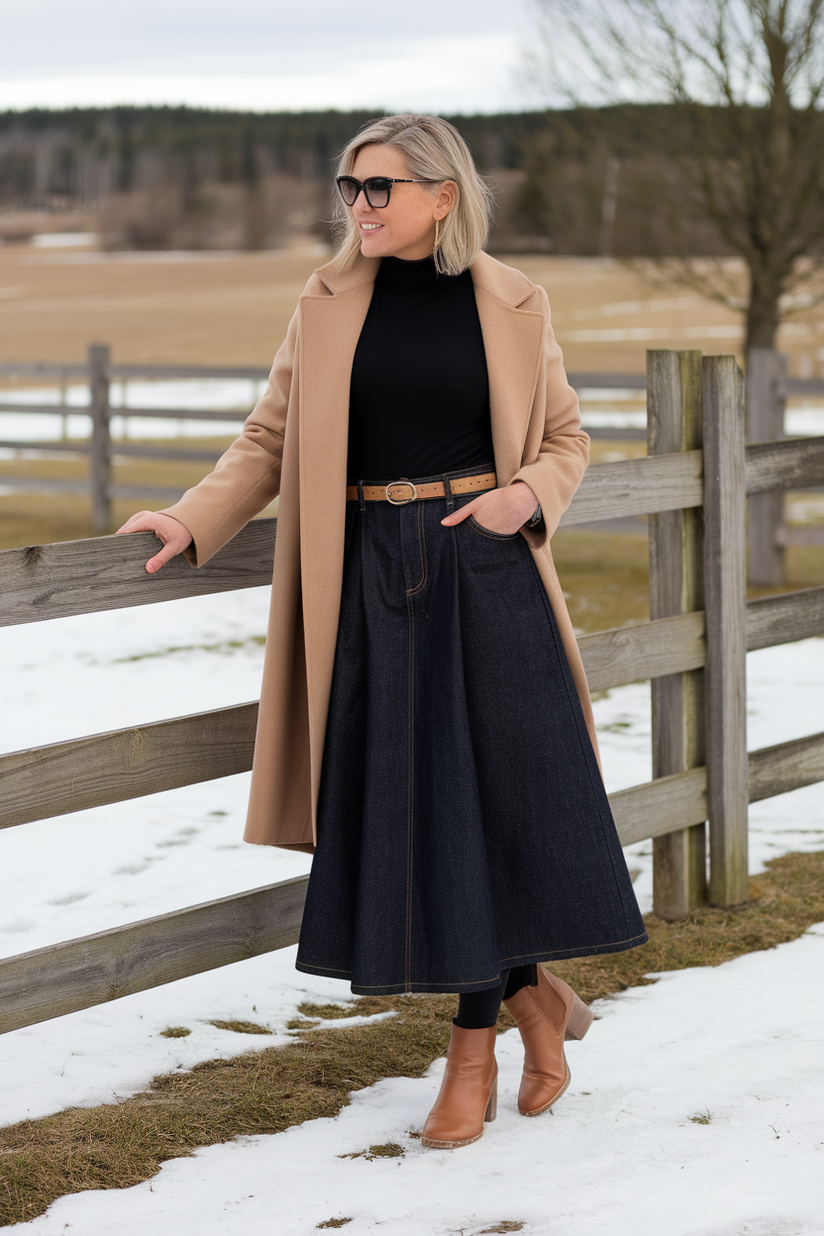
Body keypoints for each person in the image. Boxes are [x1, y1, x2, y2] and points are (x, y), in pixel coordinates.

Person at [117, 114, 647, 1151]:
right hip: (369, 576)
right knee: (422, 810)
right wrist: (191, 517)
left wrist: (523, 497)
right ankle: (533, 1002)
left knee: (488, 808)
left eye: (380, 188)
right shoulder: (323, 304)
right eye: (348, 186)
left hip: (484, 566)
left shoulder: (511, 301)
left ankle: (471, 1051)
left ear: (441, 196)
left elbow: (565, 436)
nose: (357, 206)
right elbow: (268, 438)